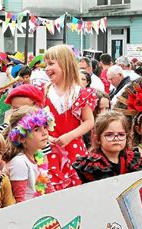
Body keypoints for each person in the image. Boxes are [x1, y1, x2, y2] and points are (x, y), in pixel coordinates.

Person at [43, 44, 96, 190]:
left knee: (77, 188)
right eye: (46, 64)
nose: (47, 68)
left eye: (51, 64)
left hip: (74, 149)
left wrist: (70, 135)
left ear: (65, 64)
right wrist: (46, 136)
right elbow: (37, 121)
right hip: (49, 149)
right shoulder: (44, 91)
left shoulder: (80, 92)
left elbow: (89, 121)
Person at [73, 111, 142, 183]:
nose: (116, 139)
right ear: (98, 139)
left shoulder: (134, 159)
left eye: (121, 135)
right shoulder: (90, 165)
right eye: (109, 135)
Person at [4, 106, 54, 202]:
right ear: (21, 138)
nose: (44, 133)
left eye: (45, 127)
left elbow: (50, 190)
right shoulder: (19, 162)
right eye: (36, 130)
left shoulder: (39, 155)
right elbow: (20, 201)